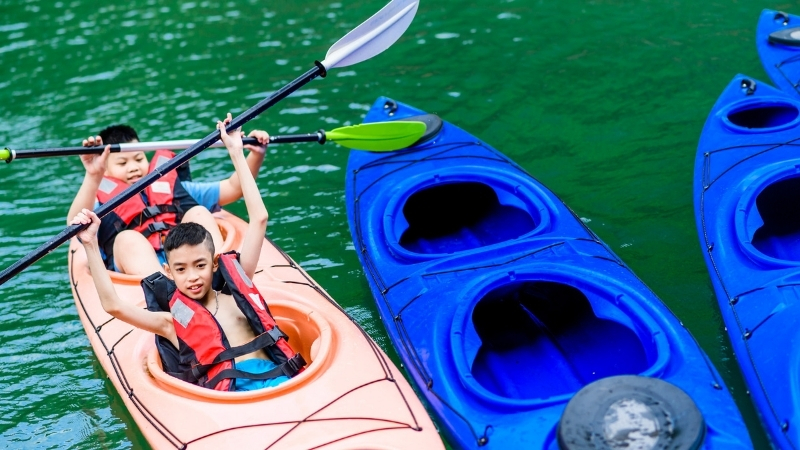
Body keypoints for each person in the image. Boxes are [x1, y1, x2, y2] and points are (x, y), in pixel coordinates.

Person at [71, 116, 304, 392]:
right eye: (181, 270)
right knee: (128, 239)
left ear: (215, 262)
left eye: (200, 266)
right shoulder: (171, 321)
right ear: (169, 273)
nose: (193, 277)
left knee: (199, 212)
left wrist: (236, 152)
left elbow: (260, 218)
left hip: (282, 380)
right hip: (231, 397)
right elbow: (113, 306)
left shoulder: (235, 286)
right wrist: (88, 245)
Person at [67, 120, 269, 276]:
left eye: (139, 158)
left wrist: (256, 155)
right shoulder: (99, 203)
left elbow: (234, 187)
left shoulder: (172, 185)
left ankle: (220, 272)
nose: (134, 167)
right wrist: (94, 176)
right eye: (122, 163)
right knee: (127, 239)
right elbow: (74, 223)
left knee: (198, 212)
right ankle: (164, 292)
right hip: (142, 275)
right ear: (106, 170)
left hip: (191, 260)